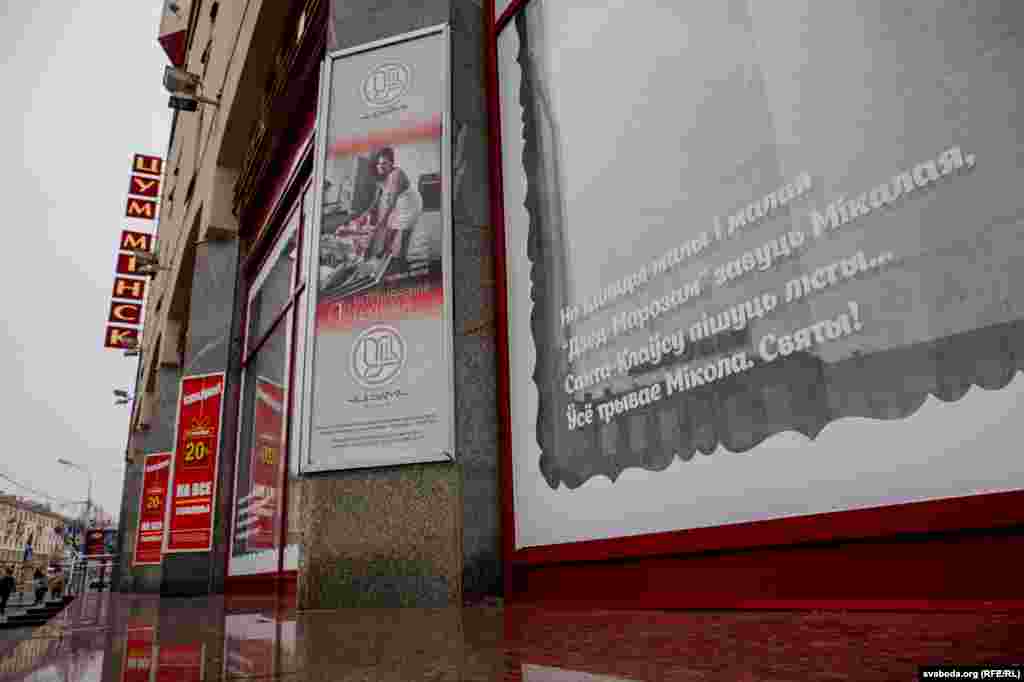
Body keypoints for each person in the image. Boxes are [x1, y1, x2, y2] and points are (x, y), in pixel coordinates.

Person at [336, 147, 423, 274]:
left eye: (384, 163)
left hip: (411, 203)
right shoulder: (381, 175)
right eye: (378, 163)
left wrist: (378, 226)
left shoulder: (396, 175)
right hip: (399, 202)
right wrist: (364, 215)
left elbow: (390, 205)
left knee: (403, 232)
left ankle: (402, 262)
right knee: (390, 228)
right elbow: (376, 201)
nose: (380, 166)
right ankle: (385, 252)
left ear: (391, 163)